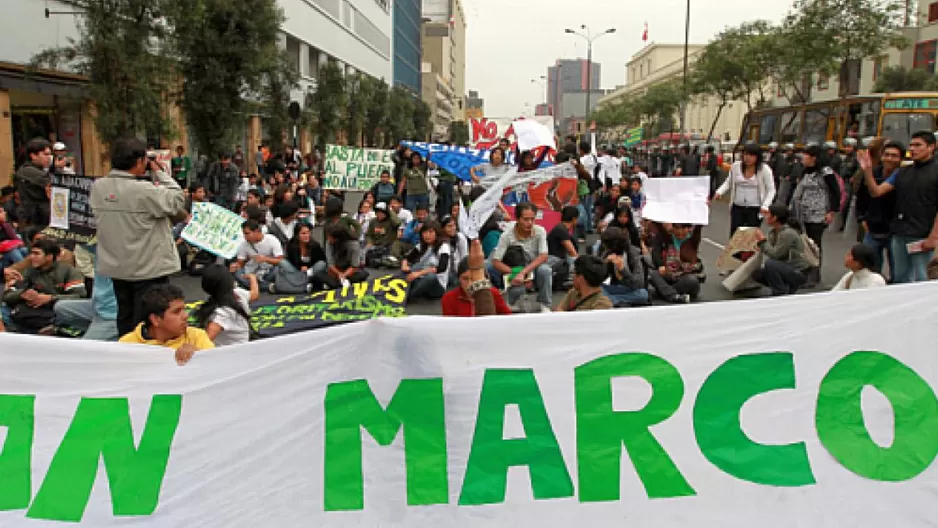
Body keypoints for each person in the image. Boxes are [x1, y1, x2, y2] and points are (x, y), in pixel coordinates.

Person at [90, 137, 186, 337]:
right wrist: (159, 171)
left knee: (125, 316)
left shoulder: (98, 186)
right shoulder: (144, 191)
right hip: (148, 268)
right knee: (149, 322)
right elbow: (177, 200)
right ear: (140, 161)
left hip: (117, 267)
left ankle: (126, 350)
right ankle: (145, 357)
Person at [859, 131, 938, 284]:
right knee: (900, 278)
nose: (913, 149)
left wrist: (933, 237)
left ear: (931, 147)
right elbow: (877, 191)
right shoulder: (903, 171)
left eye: (918, 145)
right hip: (899, 233)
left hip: (923, 235)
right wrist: (868, 171)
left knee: (923, 278)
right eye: (911, 145)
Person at [2, 239, 88, 333]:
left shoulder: (69, 272)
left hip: (54, 313)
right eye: (31, 253)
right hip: (28, 313)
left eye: (36, 254)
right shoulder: (29, 271)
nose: (31, 257)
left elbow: (79, 297)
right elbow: (7, 295)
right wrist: (23, 294)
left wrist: (50, 298)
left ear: (49, 256)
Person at [119, 284, 214, 366]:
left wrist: (199, 356)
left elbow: (216, 369)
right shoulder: (126, 345)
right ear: (155, 319)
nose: (185, 316)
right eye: (177, 312)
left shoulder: (197, 337)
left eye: (184, 309)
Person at [792, 144, 841, 287]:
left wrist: (831, 211)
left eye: (805, 155)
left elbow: (835, 192)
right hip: (803, 212)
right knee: (804, 243)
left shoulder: (826, 172)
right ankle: (805, 270)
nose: (802, 158)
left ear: (814, 158)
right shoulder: (806, 172)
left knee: (815, 243)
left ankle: (814, 273)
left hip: (818, 213)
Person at [488, 202, 552, 312]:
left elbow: (543, 256)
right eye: (526, 219)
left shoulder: (540, 231)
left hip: (532, 268)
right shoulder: (506, 236)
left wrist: (525, 273)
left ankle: (544, 303)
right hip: (514, 270)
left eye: (532, 219)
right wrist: (516, 273)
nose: (530, 223)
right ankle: (512, 299)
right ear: (517, 219)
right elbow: (496, 261)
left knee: (545, 270)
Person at [52, 246, 119, 341]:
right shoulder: (100, 250)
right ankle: (94, 331)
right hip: (97, 305)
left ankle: (110, 335)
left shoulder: (119, 255)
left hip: (111, 314)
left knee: (83, 349)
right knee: (60, 308)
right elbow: (85, 240)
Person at [855, 139, 899, 278]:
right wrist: (862, 217)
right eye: (886, 154)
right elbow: (861, 197)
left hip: (896, 229)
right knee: (871, 270)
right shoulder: (872, 172)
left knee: (898, 270)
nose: (889, 159)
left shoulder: (903, 175)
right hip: (873, 227)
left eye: (894, 155)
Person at [715, 143, 777, 236]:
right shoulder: (736, 166)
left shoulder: (764, 169)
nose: (747, 158)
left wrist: (765, 205)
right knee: (735, 236)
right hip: (737, 207)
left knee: (749, 237)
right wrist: (719, 192)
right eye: (745, 154)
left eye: (751, 155)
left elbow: (771, 190)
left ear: (757, 157)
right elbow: (729, 181)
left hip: (754, 209)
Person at [751, 205, 811, 296]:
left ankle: (780, 292)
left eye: (768, 214)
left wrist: (762, 241)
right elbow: (770, 248)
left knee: (770, 264)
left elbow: (775, 254)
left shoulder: (788, 233)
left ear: (775, 218)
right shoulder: (773, 232)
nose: (765, 217)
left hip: (798, 271)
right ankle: (787, 287)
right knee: (757, 274)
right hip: (786, 266)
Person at [195, 264, 259, 347]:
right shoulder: (238, 293)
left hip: (230, 354)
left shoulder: (223, 313)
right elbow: (254, 294)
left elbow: (203, 342)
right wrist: (252, 278)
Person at [647, 223, 702, 304]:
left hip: (684, 277)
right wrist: (661, 265)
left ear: (688, 229)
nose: (680, 232)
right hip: (668, 275)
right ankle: (673, 296)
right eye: (677, 228)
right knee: (652, 274)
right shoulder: (666, 238)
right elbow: (656, 251)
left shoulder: (692, 240)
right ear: (673, 228)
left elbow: (698, 228)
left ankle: (664, 292)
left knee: (692, 280)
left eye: (683, 229)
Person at [441, 255, 512, 316]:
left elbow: (507, 319)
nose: (470, 283)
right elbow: (449, 326)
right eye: (465, 279)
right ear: (459, 279)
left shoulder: (493, 294)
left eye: (474, 279)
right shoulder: (449, 298)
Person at [599, 226, 649, 306]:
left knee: (643, 294)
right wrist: (604, 264)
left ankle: (612, 300)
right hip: (616, 287)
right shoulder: (607, 253)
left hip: (632, 290)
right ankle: (616, 300)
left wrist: (622, 269)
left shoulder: (633, 253)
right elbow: (598, 279)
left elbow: (639, 284)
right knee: (598, 288)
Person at [401, 221, 451, 301]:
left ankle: (408, 297)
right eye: (424, 232)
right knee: (407, 271)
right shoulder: (421, 245)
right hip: (420, 278)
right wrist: (404, 265)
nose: (427, 235)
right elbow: (407, 258)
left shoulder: (443, 246)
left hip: (437, 285)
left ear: (437, 233)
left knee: (430, 277)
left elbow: (442, 268)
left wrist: (418, 273)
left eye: (430, 232)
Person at [14, 138, 52, 229]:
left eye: (50, 154)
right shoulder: (30, 172)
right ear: (33, 155)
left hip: (36, 217)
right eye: (45, 154)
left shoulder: (27, 170)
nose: (49, 157)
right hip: (35, 220)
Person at [317, 224, 369, 290]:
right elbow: (330, 263)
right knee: (318, 274)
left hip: (349, 270)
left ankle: (336, 284)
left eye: (330, 237)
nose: (328, 238)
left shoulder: (353, 245)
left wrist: (344, 275)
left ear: (338, 238)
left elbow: (354, 265)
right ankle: (340, 283)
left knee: (363, 274)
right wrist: (339, 274)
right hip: (335, 270)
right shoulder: (329, 243)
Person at [547, 206, 579, 285]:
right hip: (554, 259)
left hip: (556, 258)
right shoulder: (561, 230)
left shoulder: (561, 228)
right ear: (574, 219)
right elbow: (572, 251)